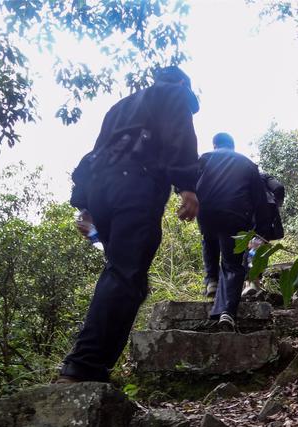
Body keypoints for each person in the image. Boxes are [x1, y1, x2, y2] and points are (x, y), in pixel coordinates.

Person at [57, 66, 200, 383]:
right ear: (180, 83)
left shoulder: (119, 108)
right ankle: (83, 366)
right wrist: (187, 186)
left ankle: (92, 365)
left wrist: (84, 204)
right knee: (125, 275)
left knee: (126, 276)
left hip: (101, 191)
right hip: (136, 185)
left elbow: (96, 154)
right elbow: (180, 133)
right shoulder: (172, 92)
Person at [196, 132, 272, 331]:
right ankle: (227, 312)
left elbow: (185, 180)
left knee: (209, 238)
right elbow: (260, 200)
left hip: (206, 212)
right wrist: (261, 231)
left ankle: (211, 280)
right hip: (235, 215)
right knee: (231, 264)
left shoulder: (204, 158)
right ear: (233, 146)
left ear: (215, 145)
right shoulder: (247, 164)